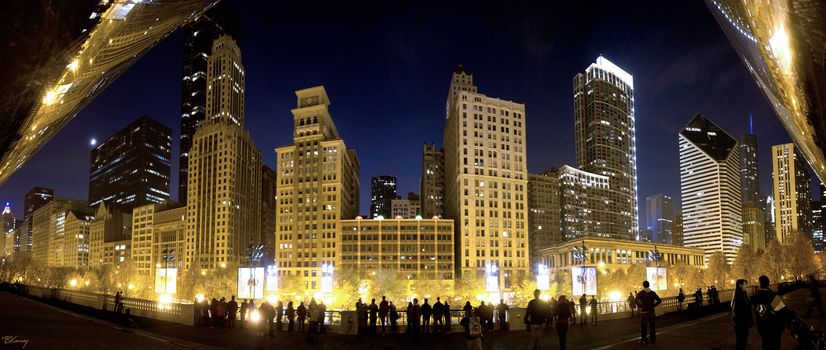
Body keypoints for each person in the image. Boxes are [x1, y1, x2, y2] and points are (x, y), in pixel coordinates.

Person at [752, 275, 785, 350]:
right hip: (775, 329)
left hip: (763, 329)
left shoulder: (756, 298)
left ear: (759, 284)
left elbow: (758, 314)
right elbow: (782, 312)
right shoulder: (773, 296)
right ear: (768, 284)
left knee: (765, 346)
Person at [731, 279, 753, 350]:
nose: (746, 286)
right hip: (741, 323)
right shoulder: (738, 295)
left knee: (742, 340)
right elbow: (740, 309)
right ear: (740, 285)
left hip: (741, 322)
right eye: (745, 284)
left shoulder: (743, 293)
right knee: (741, 341)